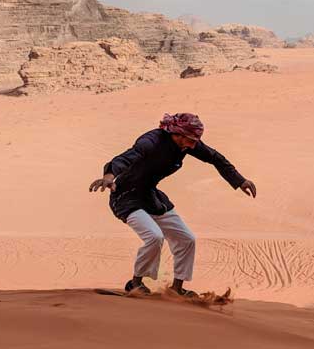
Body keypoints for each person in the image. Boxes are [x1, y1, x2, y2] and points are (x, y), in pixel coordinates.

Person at [89, 112, 256, 296]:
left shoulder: (186, 144)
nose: (194, 145)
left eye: (196, 141)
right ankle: (135, 284)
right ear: (177, 134)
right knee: (154, 237)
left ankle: (177, 289)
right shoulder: (151, 141)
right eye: (191, 140)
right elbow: (126, 158)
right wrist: (109, 176)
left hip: (151, 196)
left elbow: (215, 158)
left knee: (186, 239)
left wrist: (240, 180)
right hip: (125, 197)